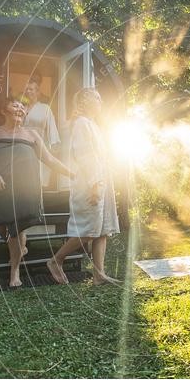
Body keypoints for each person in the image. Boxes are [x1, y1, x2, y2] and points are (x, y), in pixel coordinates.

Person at [0, 97, 72, 288]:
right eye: (15, 105)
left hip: (26, 188)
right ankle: (20, 250)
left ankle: (15, 271)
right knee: (2, 225)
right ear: (4, 110)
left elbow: (50, 160)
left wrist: (74, 174)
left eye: (23, 106)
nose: (20, 108)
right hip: (1, 186)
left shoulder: (32, 134)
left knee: (17, 227)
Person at [46, 88, 120, 286]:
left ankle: (99, 275)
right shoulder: (81, 124)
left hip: (101, 181)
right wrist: (95, 184)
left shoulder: (92, 124)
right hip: (89, 182)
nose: (100, 102)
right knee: (88, 230)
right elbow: (85, 155)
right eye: (97, 98)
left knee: (102, 229)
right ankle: (56, 259)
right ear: (86, 102)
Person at [22, 76, 60, 188]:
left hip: (40, 146)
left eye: (31, 89)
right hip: (23, 146)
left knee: (38, 180)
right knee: (23, 180)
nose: (28, 91)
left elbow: (51, 127)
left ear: (38, 92)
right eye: (27, 89)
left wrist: (54, 146)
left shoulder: (45, 108)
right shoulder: (21, 108)